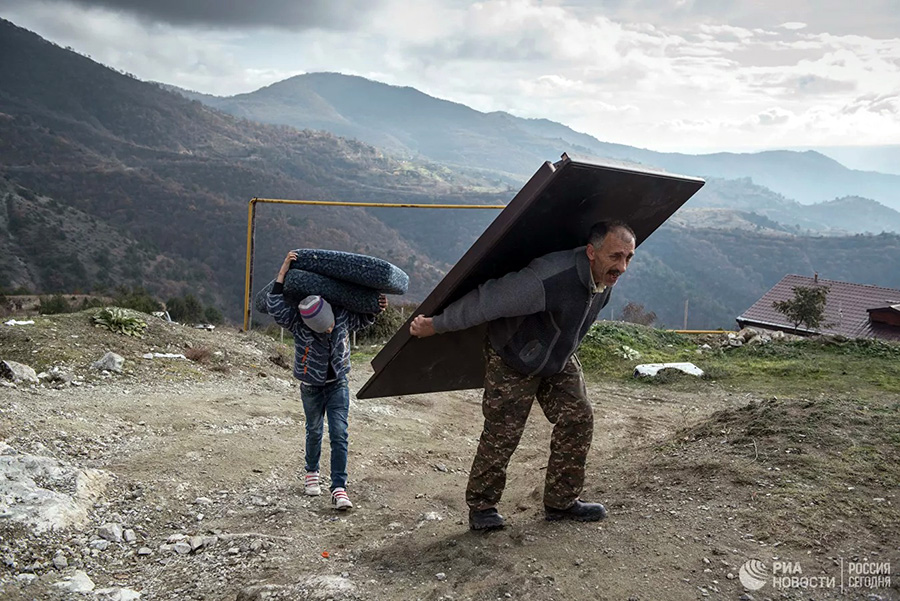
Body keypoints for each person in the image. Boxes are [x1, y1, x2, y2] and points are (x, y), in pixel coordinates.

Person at [409, 221, 636, 530]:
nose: (622, 267)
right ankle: (482, 507)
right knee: (503, 432)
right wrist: (436, 325)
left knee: (578, 417)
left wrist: (562, 353)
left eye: (628, 257)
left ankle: (561, 502)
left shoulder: (604, 280)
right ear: (591, 252)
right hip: (512, 356)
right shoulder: (548, 278)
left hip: (557, 358)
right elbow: (488, 300)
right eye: (615, 256)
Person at [268, 250, 387, 511]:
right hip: (311, 386)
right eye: (324, 329)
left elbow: (363, 319)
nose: (330, 330)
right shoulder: (297, 322)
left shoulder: (341, 314)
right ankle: (311, 473)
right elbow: (275, 305)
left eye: (330, 326)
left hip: (338, 383)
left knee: (339, 434)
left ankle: (338, 488)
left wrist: (376, 308)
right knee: (314, 430)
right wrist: (283, 270)